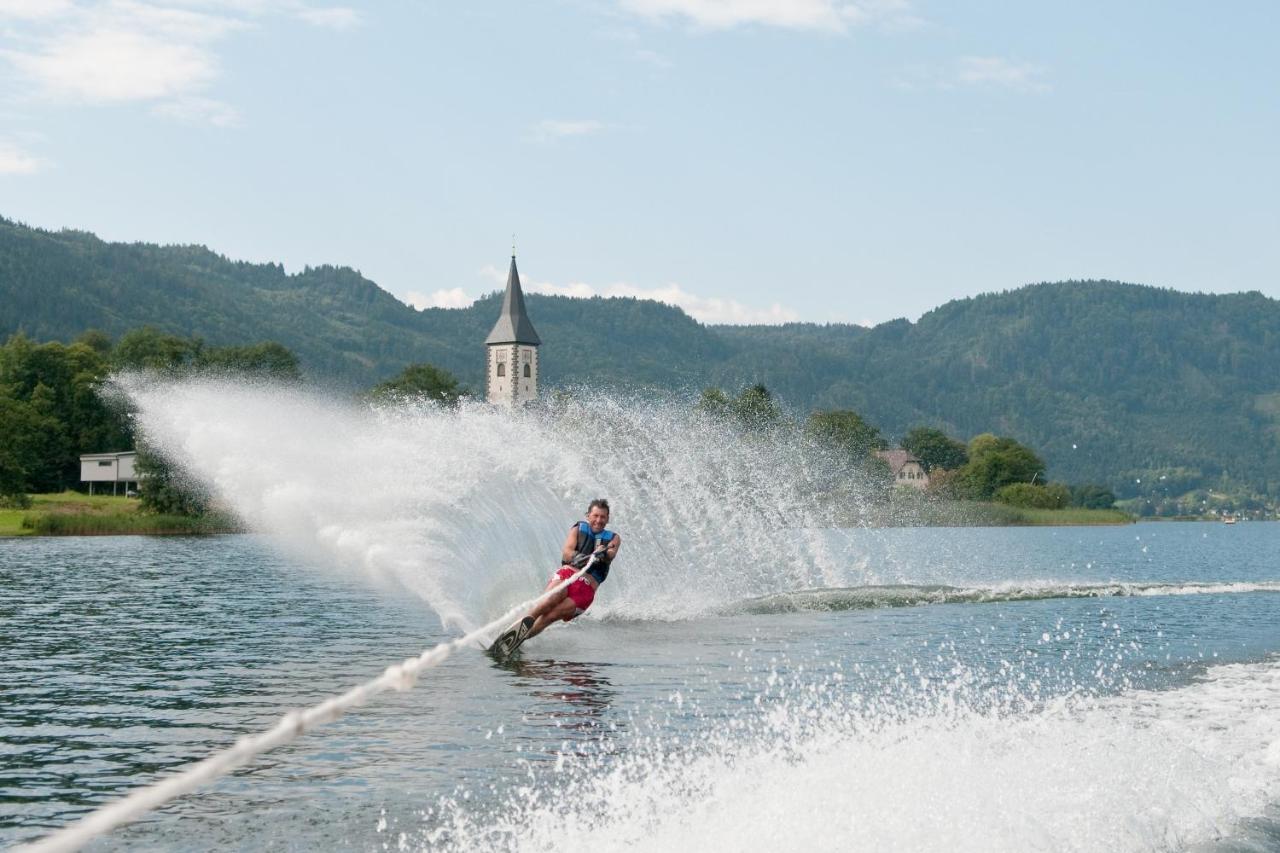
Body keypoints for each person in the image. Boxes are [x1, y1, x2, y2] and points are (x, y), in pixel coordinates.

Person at [519, 498, 622, 643]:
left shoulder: (613, 538)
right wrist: (579, 557)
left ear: (607, 519)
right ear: (588, 516)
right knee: (550, 599)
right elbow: (567, 552)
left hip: (586, 590)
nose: (598, 520)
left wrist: (603, 552)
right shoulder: (578, 528)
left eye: (602, 517)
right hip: (568, 575)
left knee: (552, 615)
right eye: (595, 516)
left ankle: (518, 640)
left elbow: (611, 554)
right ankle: (519, 627)